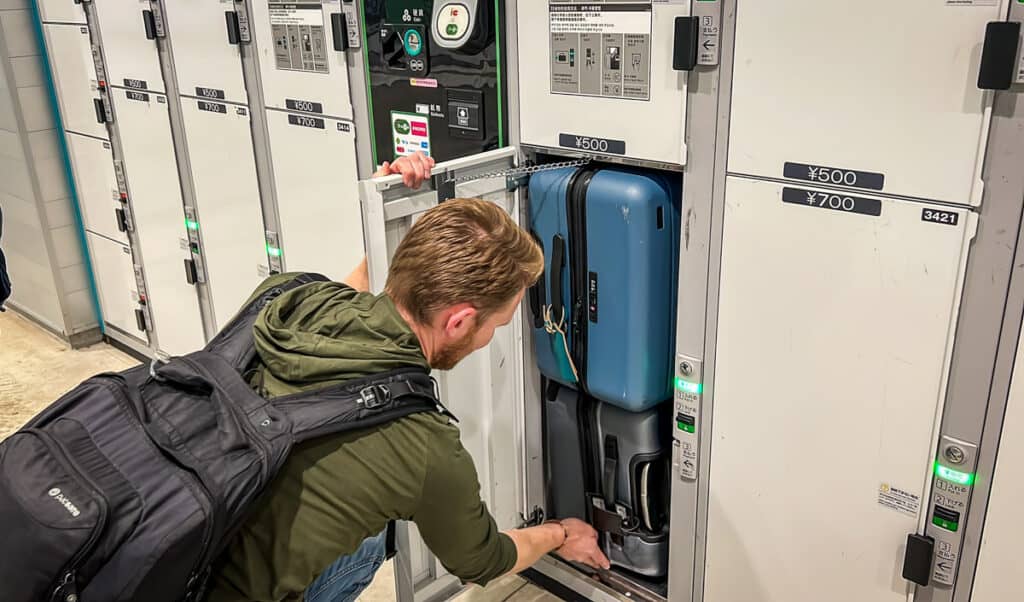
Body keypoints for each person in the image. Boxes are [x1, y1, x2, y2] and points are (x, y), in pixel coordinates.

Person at [206, 153, 610, 602]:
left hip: (165, 547)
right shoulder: (425, 447)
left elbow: (355, 293)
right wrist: (560, 532)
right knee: (372, 540)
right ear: (458, 322)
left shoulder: (291, 296)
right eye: (498, 324)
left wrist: (386, 203)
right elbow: (483, 560)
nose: (493, 337)